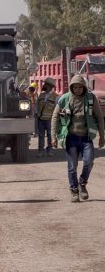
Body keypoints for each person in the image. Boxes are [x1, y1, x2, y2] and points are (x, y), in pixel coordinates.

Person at [51, 74, 105, 202]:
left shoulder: (91, 98)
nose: (78, 89)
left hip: (86, 138)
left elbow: (99, 117)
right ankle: (74, 190)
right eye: (75, 87)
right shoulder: (64, 99)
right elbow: (55, 117)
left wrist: (102, 136)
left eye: (80, 87)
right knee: (72, 166)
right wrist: (53, 137)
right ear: (71, 87)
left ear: (84, 87)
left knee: (88, 162)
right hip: (71, 138)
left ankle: (82, 183)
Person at [35, 78, 57, 157]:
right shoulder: (41, 95)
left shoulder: (55, 96)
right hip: (41, 119)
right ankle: (40, 151)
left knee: (50, 135)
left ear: (50, 86)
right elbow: (36, 105)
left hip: (50, 120)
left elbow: (57, 108)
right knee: (41, 136)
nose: (44, 85)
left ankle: (49, 150)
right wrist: (36, 113)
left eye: (46, 84)